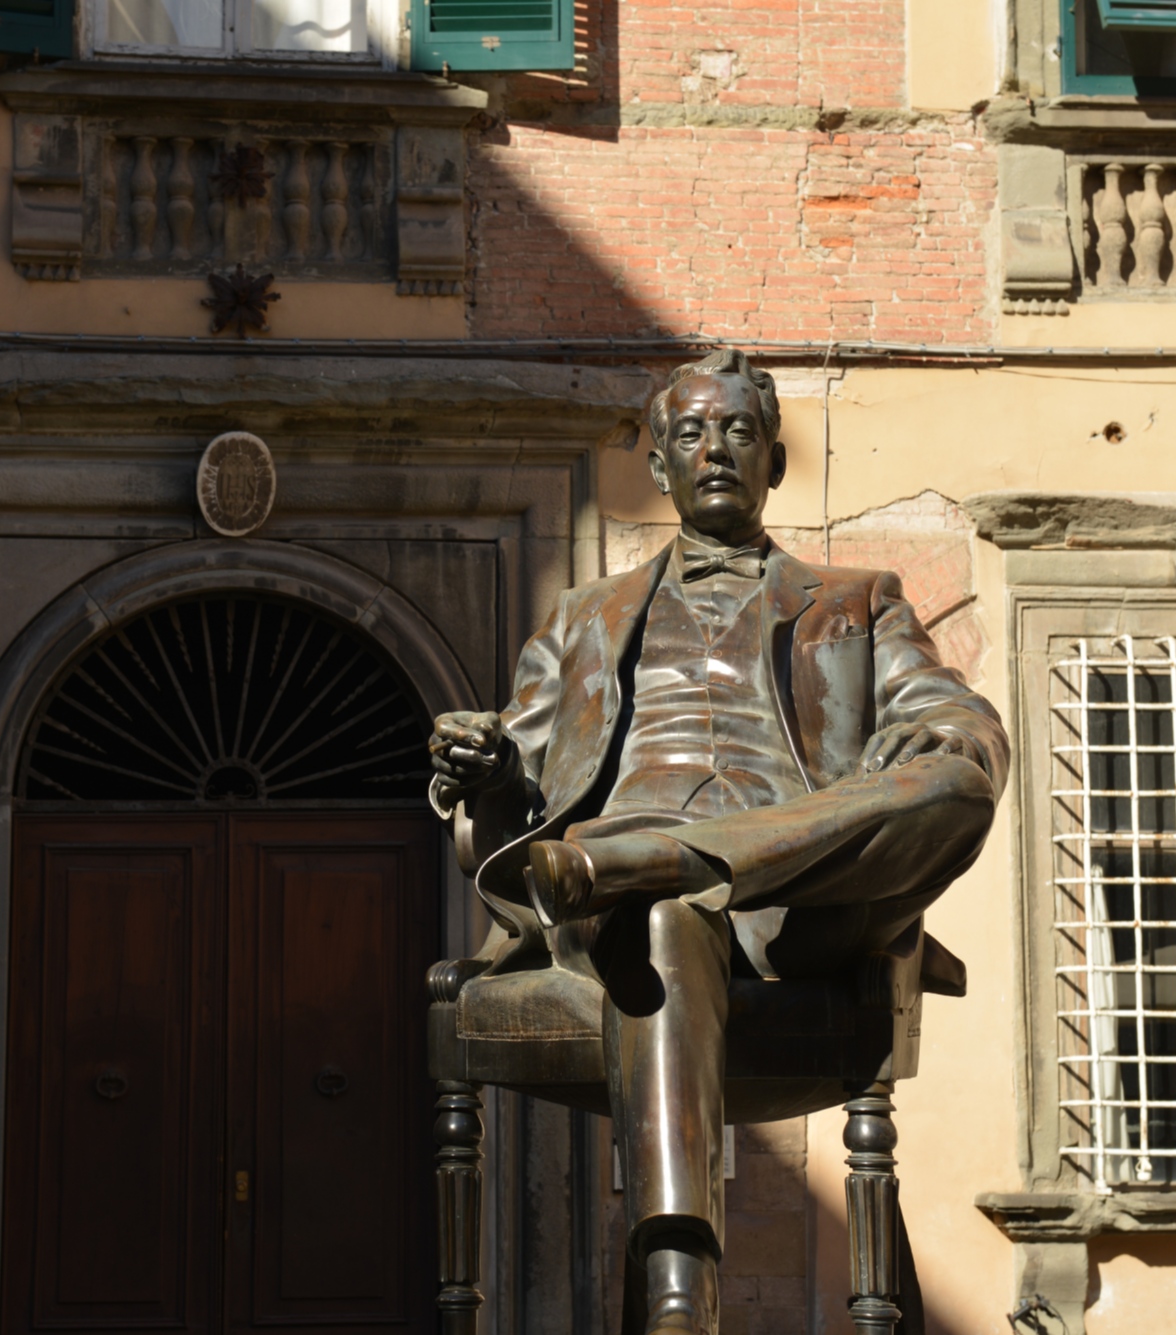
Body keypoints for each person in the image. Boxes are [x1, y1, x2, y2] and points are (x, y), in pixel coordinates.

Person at [427, 348, 1007, 1335]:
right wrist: (472, 771)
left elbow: (955, 731)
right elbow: (508, 812)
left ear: (774, 462)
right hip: (611, 907)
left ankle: (660, 859)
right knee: (660, 915)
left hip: (803, 905)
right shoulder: (579, 620)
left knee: (961, 777)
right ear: (656, 466)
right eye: (689, 433)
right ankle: (677, 1304)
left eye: (739, 431)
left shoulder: (857, 602)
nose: (714, 450)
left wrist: (939, 739)